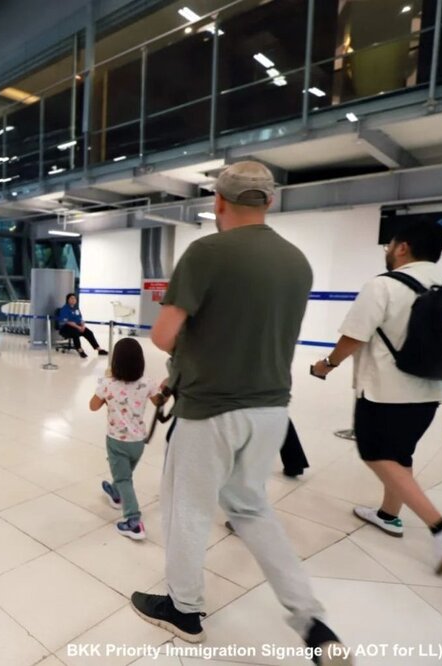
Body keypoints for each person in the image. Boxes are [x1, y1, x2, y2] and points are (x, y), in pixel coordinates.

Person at [130, 161, 349, 660]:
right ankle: (313, 622)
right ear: (270, 202)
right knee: (252, 510)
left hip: (209, 410)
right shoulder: (297, 261)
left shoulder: (206, 252)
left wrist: (191, 354)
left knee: (187, 509)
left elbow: (163, 335)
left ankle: (184, 611)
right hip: (271, 408)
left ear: (218, 202)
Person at [312, 221, 442, 575]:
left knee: (375, 452)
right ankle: (388, 514)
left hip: (385, 390)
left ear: (402, 248)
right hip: (431, 391)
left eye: (389, 244)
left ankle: (441, 526)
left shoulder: (383, 286)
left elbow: (354, 337)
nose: (386, 250)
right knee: (401, 453)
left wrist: (327, 364)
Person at [90, 338, 158, 540]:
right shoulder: (147, 383)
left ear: (115, 362)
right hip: (138, 442)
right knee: (124, 473)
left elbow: (92, 406)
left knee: (124, 478)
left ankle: (133, 522)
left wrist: (105, 388)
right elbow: (158, 400)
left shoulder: (108, 385)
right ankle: (115, 492)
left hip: (116, 441)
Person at [58, 293, 107, 359]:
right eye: (71, 298)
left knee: (89, 332)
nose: (73, 300)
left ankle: (99, 349)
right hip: (66, 327)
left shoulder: (76, 308)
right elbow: (67, 321)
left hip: (77, 326)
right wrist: (78, 327)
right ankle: (80, 350)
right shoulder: (65, 309)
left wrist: (83, 326)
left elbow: (80, 319)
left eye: (74, 298)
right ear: (67, 300)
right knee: (75, 333)